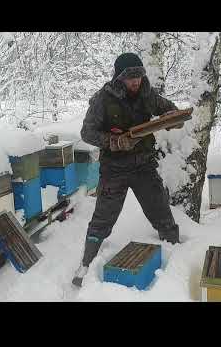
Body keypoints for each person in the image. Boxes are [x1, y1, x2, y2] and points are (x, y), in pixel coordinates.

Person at [72, 52, 184, 287]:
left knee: (160, 210)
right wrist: (115, 142)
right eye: (131, 77)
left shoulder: (147, 93)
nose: (136, 82)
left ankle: (178, 255)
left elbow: (169, 110)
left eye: (139, 76)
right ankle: (86, 263)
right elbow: (87, 133)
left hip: (144, 165)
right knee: (103, 218)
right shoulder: (103, 98)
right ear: (119, 77)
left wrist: (174, 118)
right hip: (114, 169)